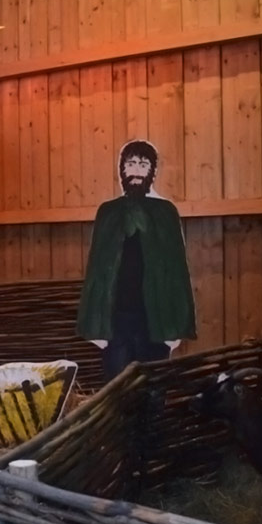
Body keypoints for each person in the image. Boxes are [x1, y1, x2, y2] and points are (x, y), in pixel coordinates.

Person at [76, 139, 197, 382]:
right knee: (117, 387)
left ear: (152, 170)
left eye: (143, 165)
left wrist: (176, 326)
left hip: (156, 318)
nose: (136, 171)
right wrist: (95, 325)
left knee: (153, 385)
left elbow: (176, 270)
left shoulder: (165, 212)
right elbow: (97, 271)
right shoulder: (108, 212)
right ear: (122, 169)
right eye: (131, 164)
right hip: (116, 319)